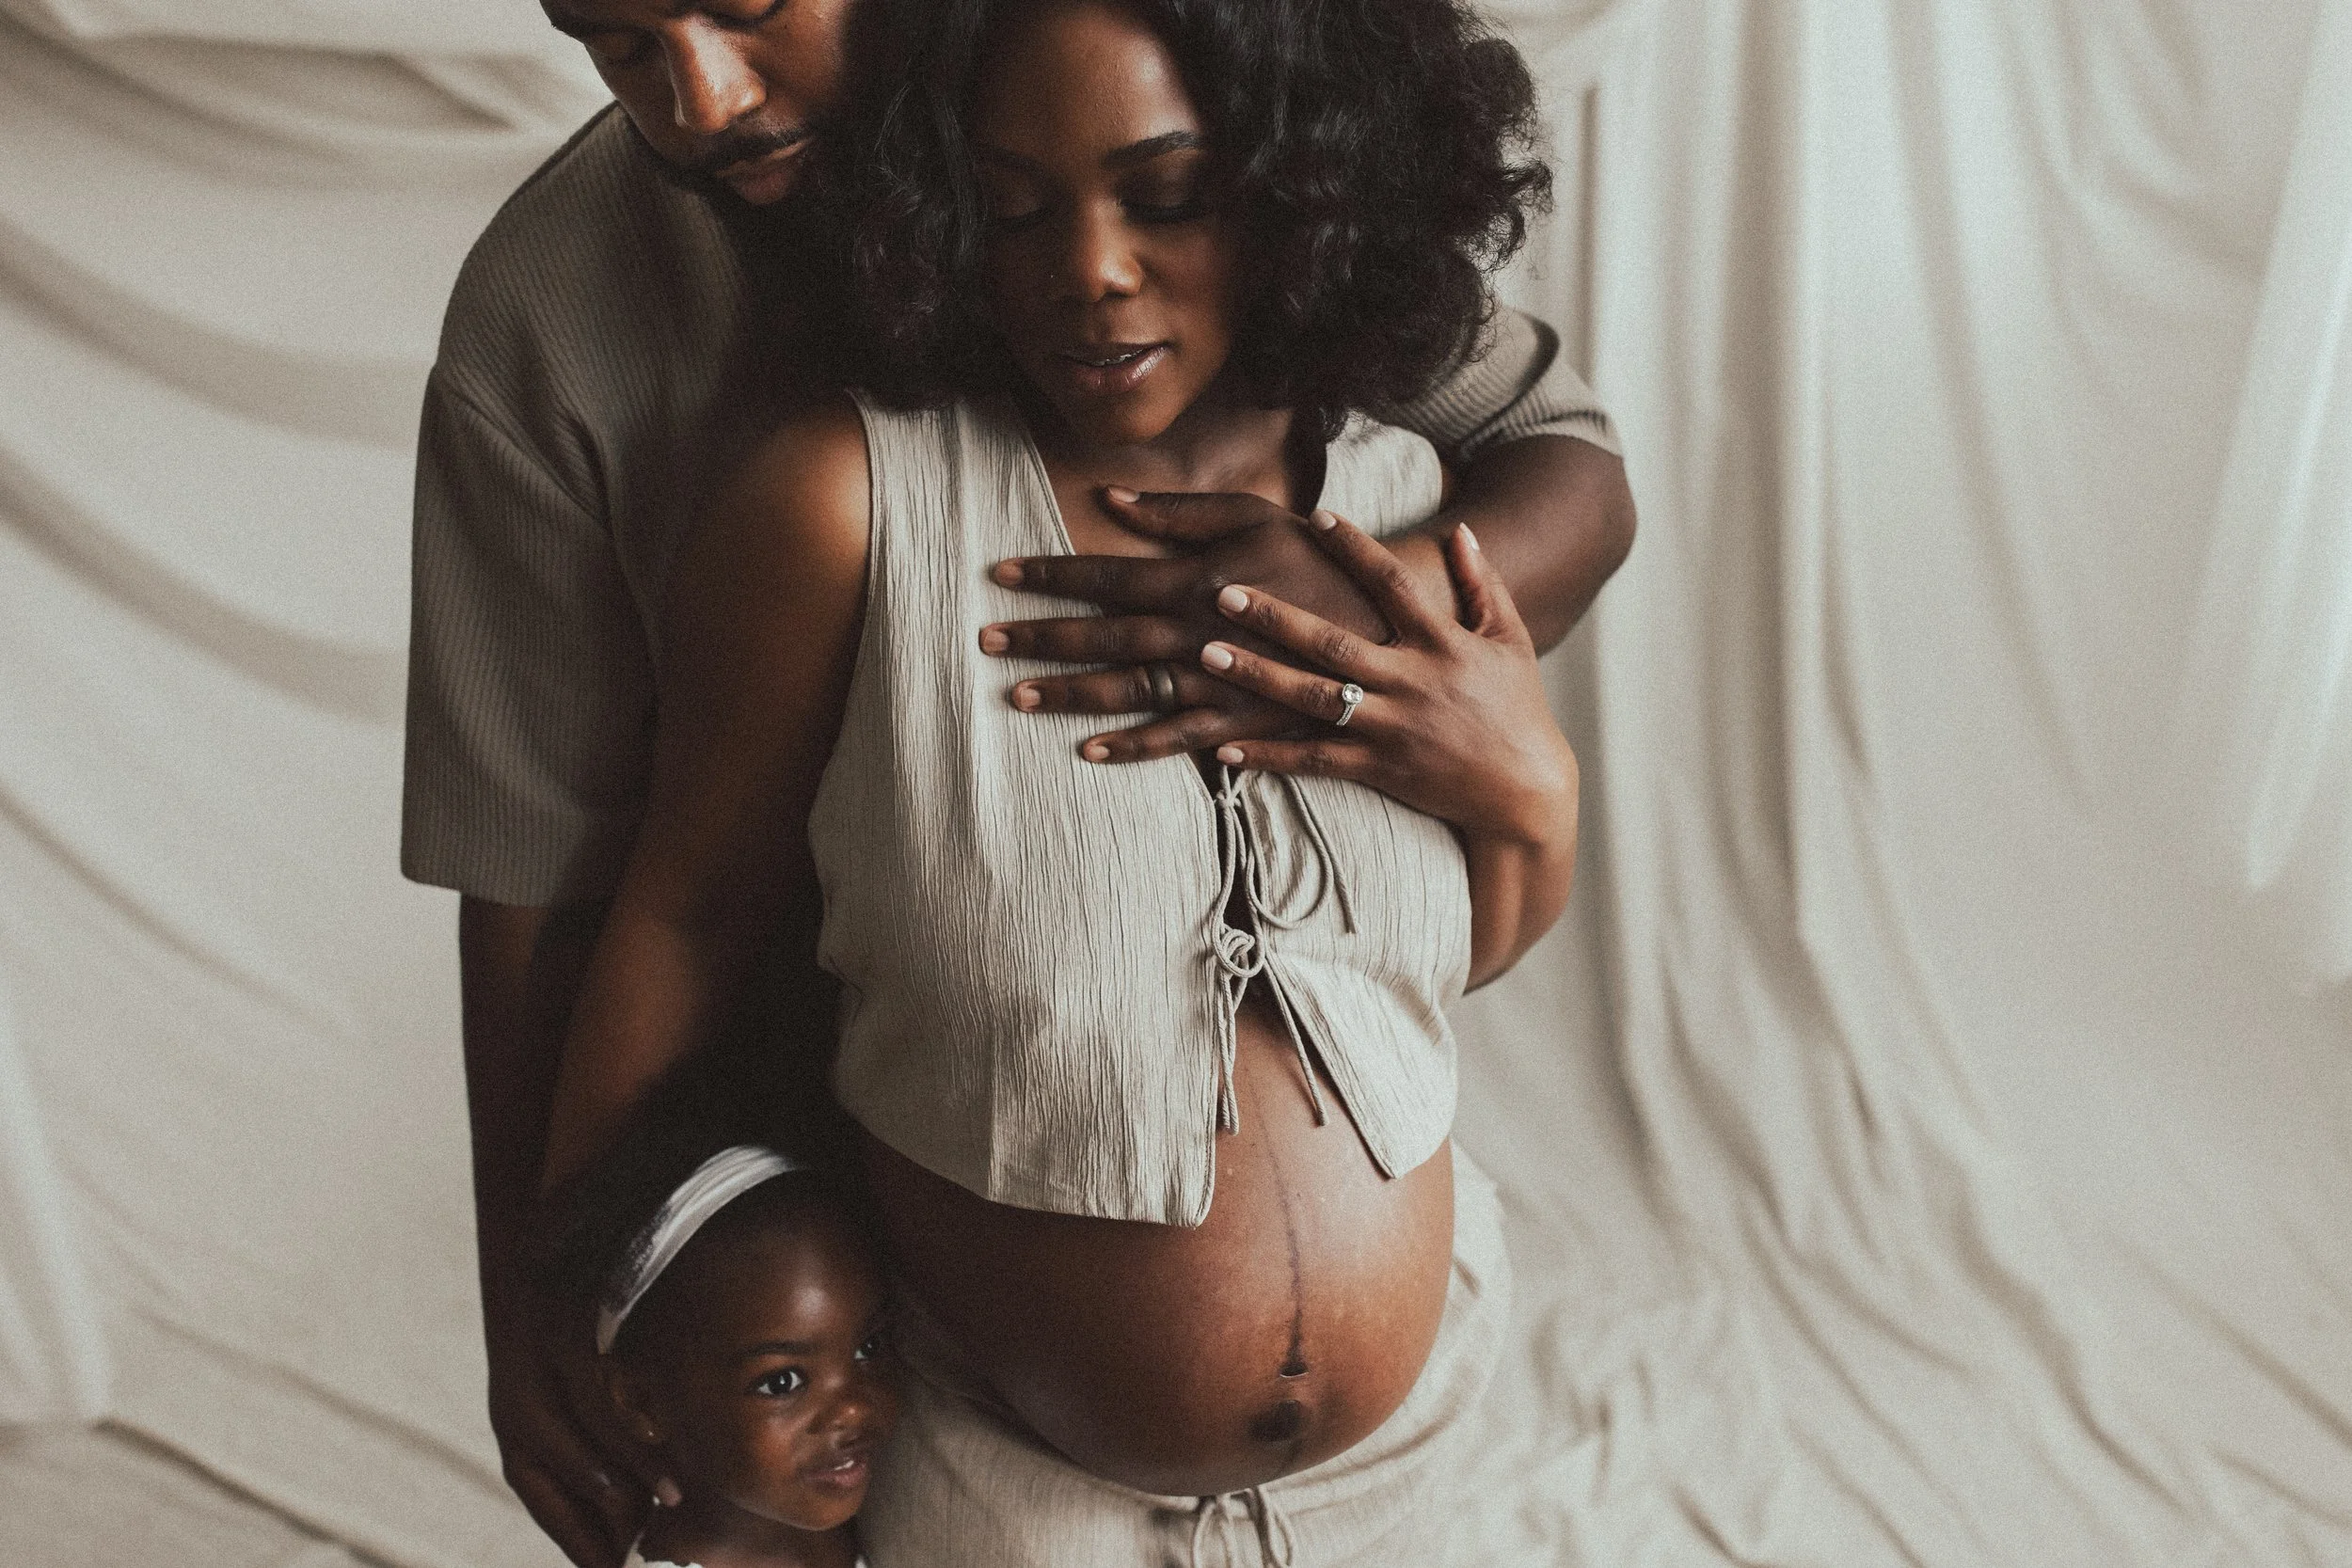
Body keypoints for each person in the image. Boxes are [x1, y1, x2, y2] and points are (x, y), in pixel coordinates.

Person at [403, 0, 1630, 1563]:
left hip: (1396, 1456)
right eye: (617, 39)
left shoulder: (1348, 400)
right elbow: (565, 876)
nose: (698, 98)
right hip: (908, 1251)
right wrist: (555, 1297)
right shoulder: (634, 360)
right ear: (943, 215)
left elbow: (1555, 456)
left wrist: (1428, 683)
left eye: (753, 3)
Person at [540, 1085, 898, 1568]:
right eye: (782, 1381)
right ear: (642, 1401)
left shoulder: (872, 1518)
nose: (854, 1407)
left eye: (868, 1348)